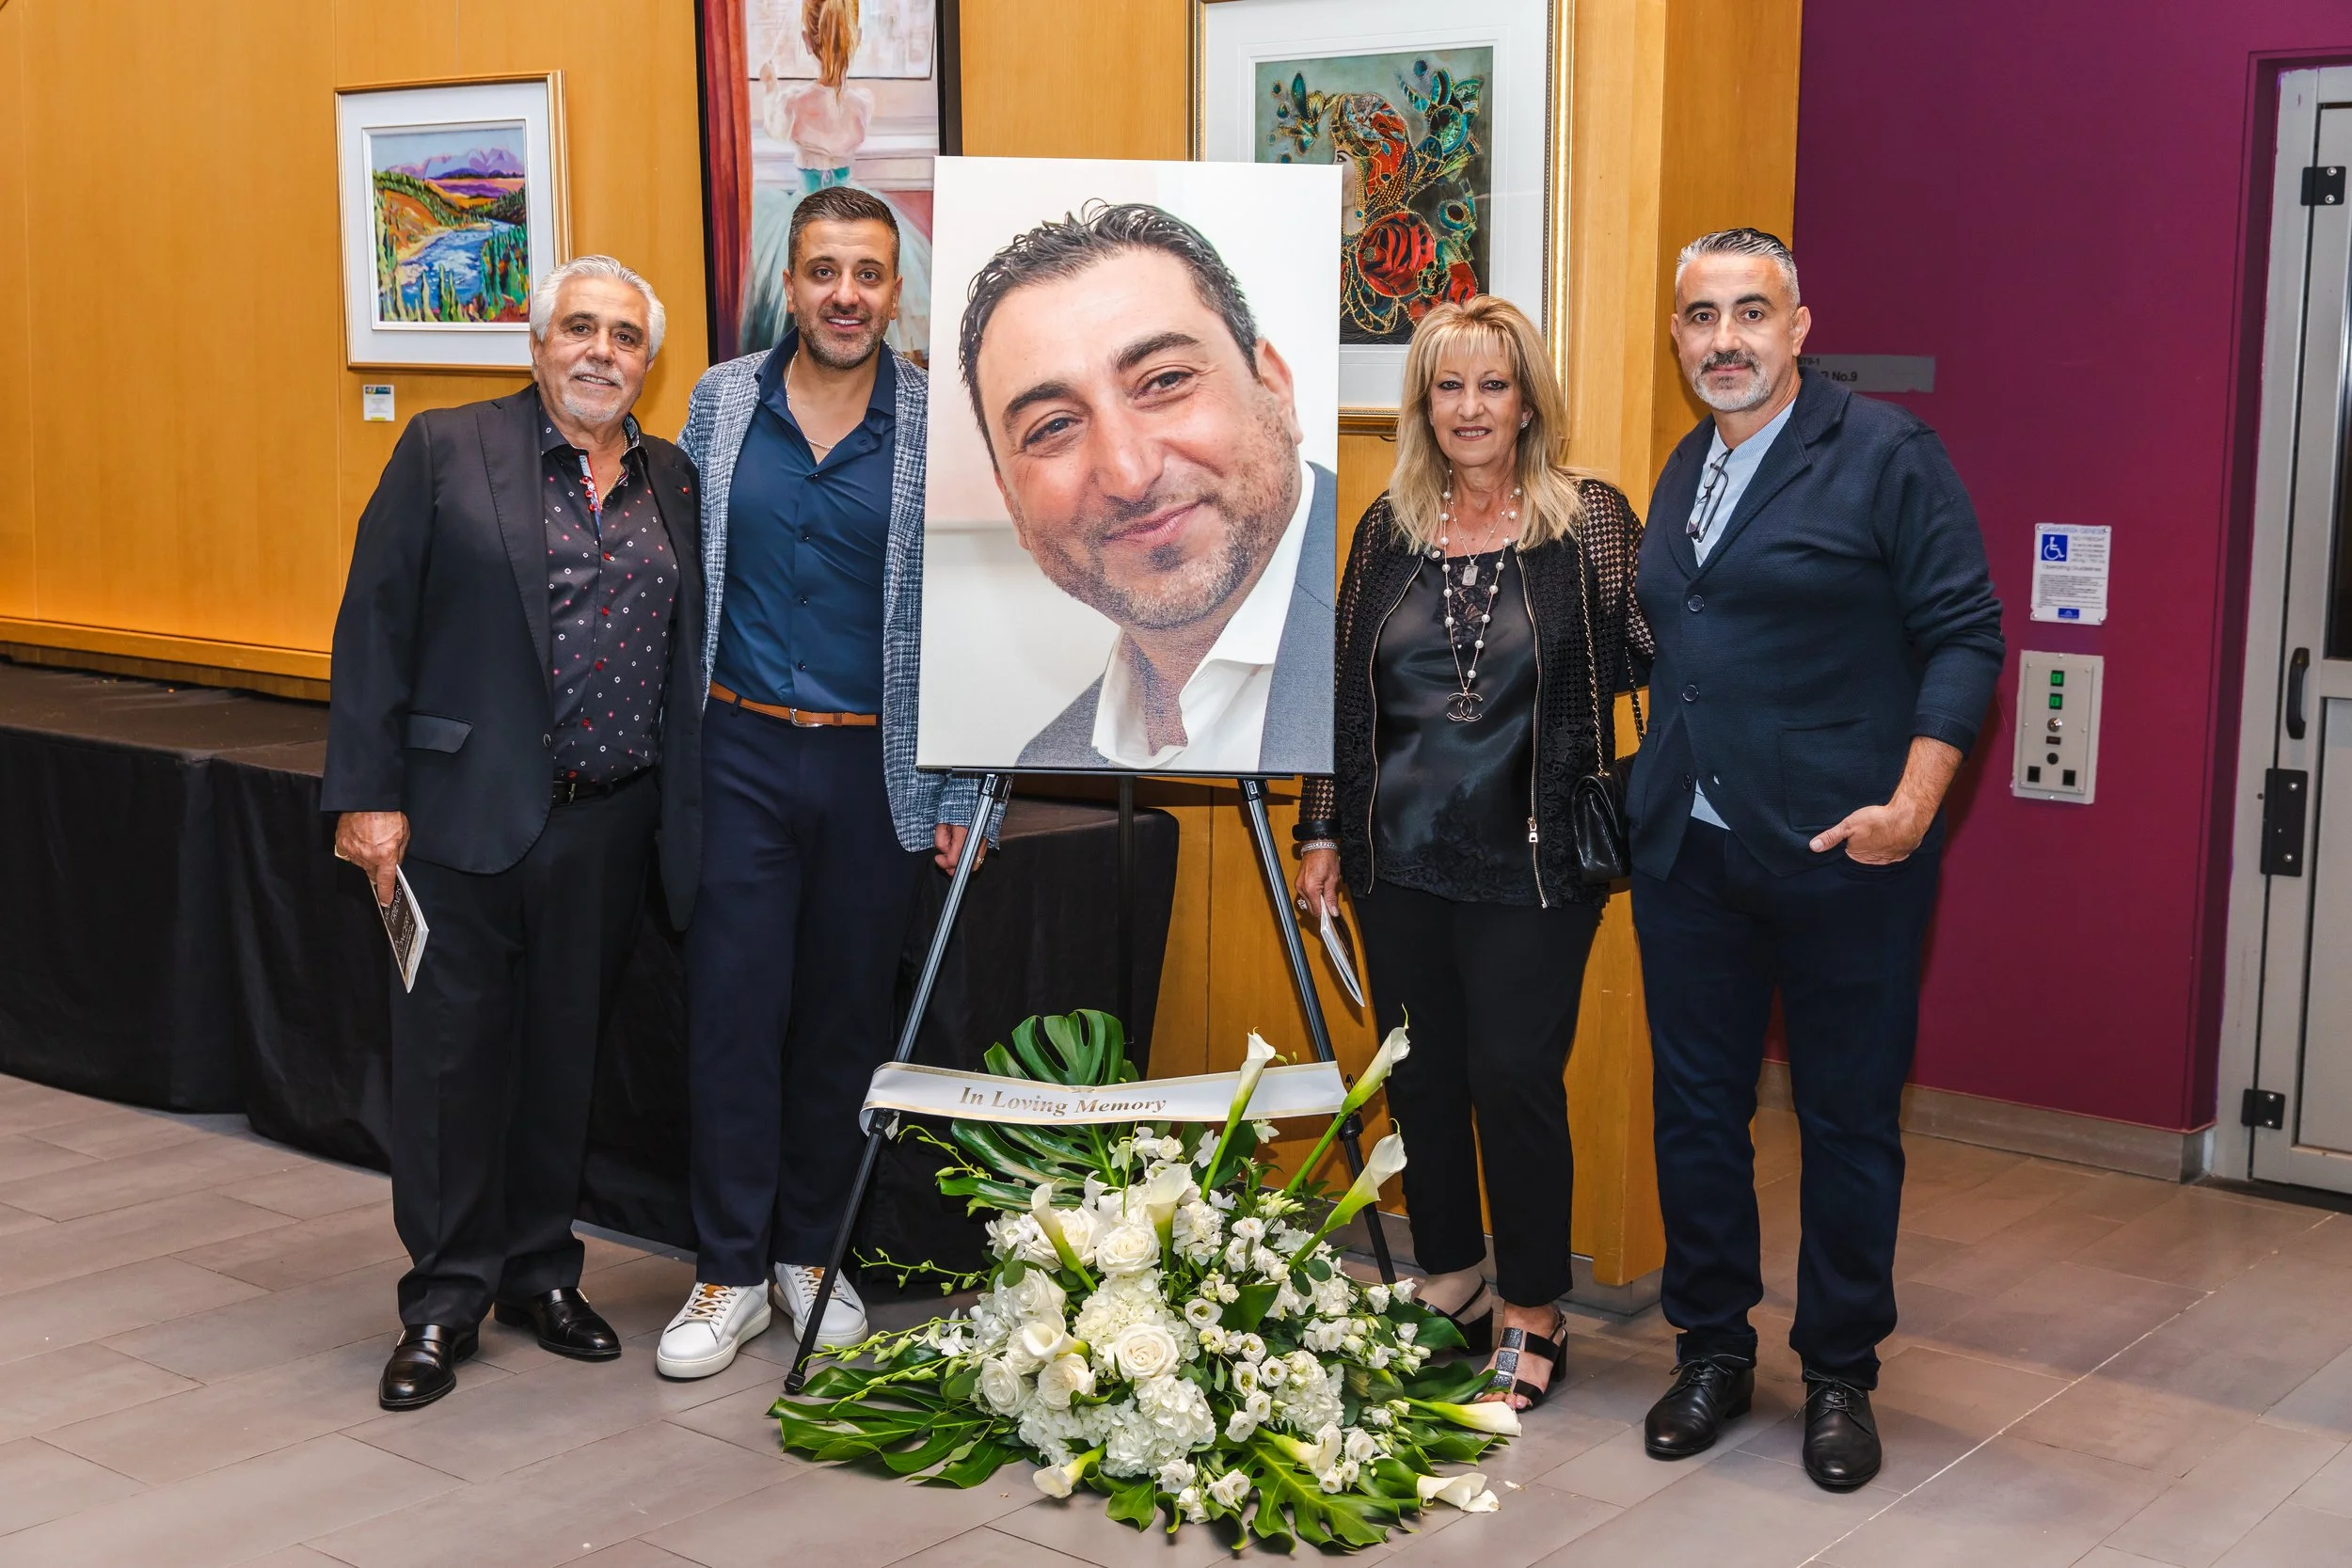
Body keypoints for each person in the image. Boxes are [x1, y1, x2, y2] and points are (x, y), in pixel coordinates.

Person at [1629, 229, 2003, 1490]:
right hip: (1692, 853)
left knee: (1848, 1123)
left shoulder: (1885, 454)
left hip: (1850, 853)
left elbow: (1966, 633)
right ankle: (1715, 1348)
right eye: (1700, 316)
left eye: (1750, 311)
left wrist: (1915, 801)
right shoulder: (1687, 465)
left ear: (1798, 327)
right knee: (1697, 1114)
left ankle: (1839, 1370)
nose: (1723, 337)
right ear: (1677, 334)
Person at [324, 256, 704, 1411]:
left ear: (649, 362)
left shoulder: (672, 479)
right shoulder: (448, 449)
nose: (601, 351)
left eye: (625, 336)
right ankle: (443, 1298)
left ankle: (540, 1271)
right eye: (579, 328)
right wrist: (366, 792)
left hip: (609, 824)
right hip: (456, 819)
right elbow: (374, 621)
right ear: (536, 344)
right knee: (450, 1067)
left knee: (562, 1064)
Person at [1294, 295, 1651, 1411]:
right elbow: (1340, 697)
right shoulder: (1385, 526)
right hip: (1396, 854)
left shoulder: (1585, 520)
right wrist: (1319, 827)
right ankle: (1449, 1274)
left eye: (1493, 383)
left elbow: (1662, 658)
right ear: (1422, 403)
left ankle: (1533, 1306)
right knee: (1424, 1080)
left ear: (1528, 396)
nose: (1470, 407)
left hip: (1533, 863)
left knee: (1512, 1078)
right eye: (1448, 385)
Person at [656, 183, 982, 1380]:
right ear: (788, 285)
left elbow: (972, 618)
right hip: (735, 750)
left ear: (898, 293)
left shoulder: (942, 425)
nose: (845, 293)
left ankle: (810, 1251)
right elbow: (679, 572)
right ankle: (728, 1269)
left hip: (873, 764)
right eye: (823, 270)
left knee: (845, 1021)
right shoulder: (721, 400)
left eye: (868, 273)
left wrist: (956, 794)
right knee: (733, 1014)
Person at [957, 201, 1335, 774]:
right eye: (1054, 426)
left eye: (1164, 381)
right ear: (1012, 505)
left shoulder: (1421, 629)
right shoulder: (1048, 767)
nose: (1130, 475)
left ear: (1275, 389)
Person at [739, 0, 935, 360]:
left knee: (805, 286)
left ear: (806, 39)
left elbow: (775, 127)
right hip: (852, 204)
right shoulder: (862, 103)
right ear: (855, 38)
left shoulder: (795, 104)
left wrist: (769, 84)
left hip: (805, 206)